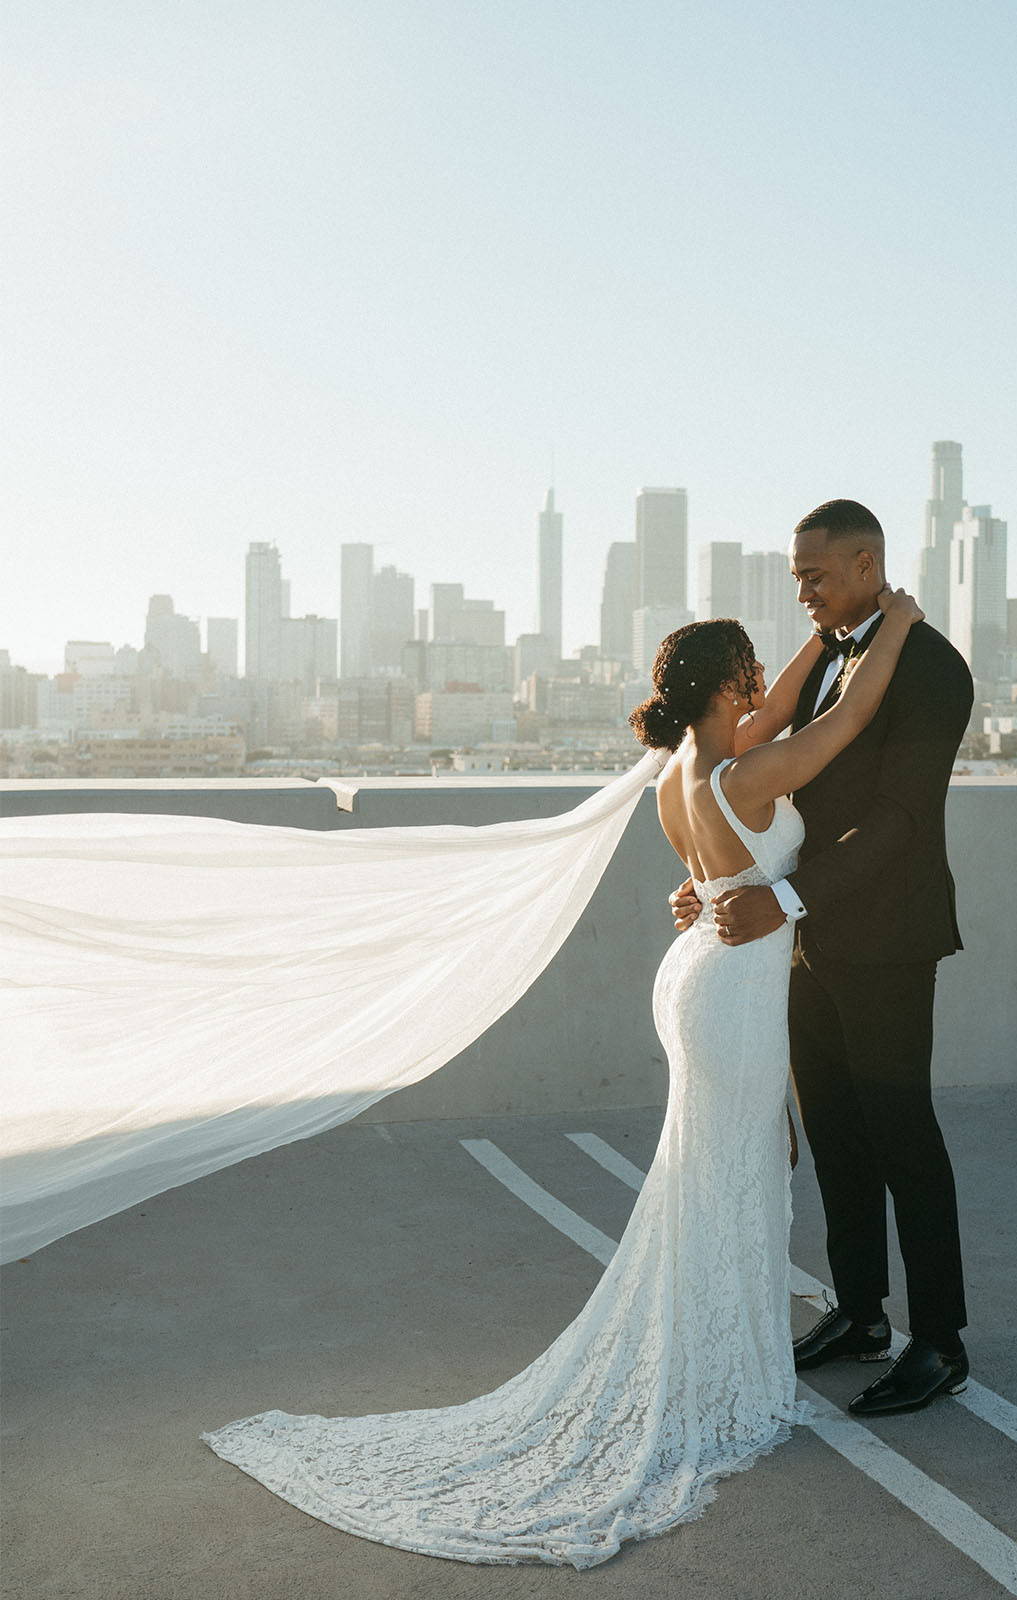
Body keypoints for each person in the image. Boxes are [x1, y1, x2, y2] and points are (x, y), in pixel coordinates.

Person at [198, 581, 925, 1567]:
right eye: (749, 675)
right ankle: (726, 1379)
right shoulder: (745, 775)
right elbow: (838, 721)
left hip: (699, 984)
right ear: (728, 686)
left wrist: (810, 637)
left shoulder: (680, 772)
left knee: (721, 1177)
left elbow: (768, 738)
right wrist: (900, 626)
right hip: (727, 999)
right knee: (732, 1184)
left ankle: (718, 1359)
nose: (763, 688)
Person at [669, 499, 974, 1418]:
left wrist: (784, 898)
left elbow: (899, 818)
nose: (799, 591)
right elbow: (762, 778)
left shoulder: (929, 667)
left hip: (882, 939)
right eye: (796, 575)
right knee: (836, 1134)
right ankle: (861, 1313)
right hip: (792, 945)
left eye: (813, 575)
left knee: (900, 1133)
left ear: (866, 561)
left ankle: (940, 1340)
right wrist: (721, 885)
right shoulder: (828, 661)